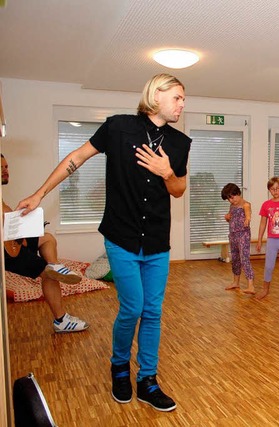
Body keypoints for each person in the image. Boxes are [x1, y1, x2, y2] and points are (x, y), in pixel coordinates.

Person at [17, 74, 191, 411]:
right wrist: (39, 193)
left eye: (184, 99)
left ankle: (148, 380)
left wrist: (167, 173)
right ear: (156, 95)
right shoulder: (118, 128)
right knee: (133, 307)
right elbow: (77, 158)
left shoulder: (180, 143)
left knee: (153, 311)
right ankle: (120, 368)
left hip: (156, 241)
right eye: (178, 97)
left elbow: (179, 189)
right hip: (122, 237)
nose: (182, 104)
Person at [1, 154, 87, 333]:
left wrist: (23, 232)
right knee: (48, 276)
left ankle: (55, 265)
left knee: (47, 237)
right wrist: (19, 242)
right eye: (1, 168)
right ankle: (61, 320)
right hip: (9, 251)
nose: (5, 171)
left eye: (6, 167)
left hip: (15, 240)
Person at [221, 182, 255, 294]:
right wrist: (227, 217)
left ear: (238, 193)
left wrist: (248, 219)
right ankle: (236, 282)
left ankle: (251, 285)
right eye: (229, 199)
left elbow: (248, 214)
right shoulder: (232, 206)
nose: (232, 200)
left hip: (243, 235)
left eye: (233, 197)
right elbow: (229, 217)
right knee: (235, 258)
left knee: (244, 258)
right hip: (233, 234)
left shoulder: (245, 205)